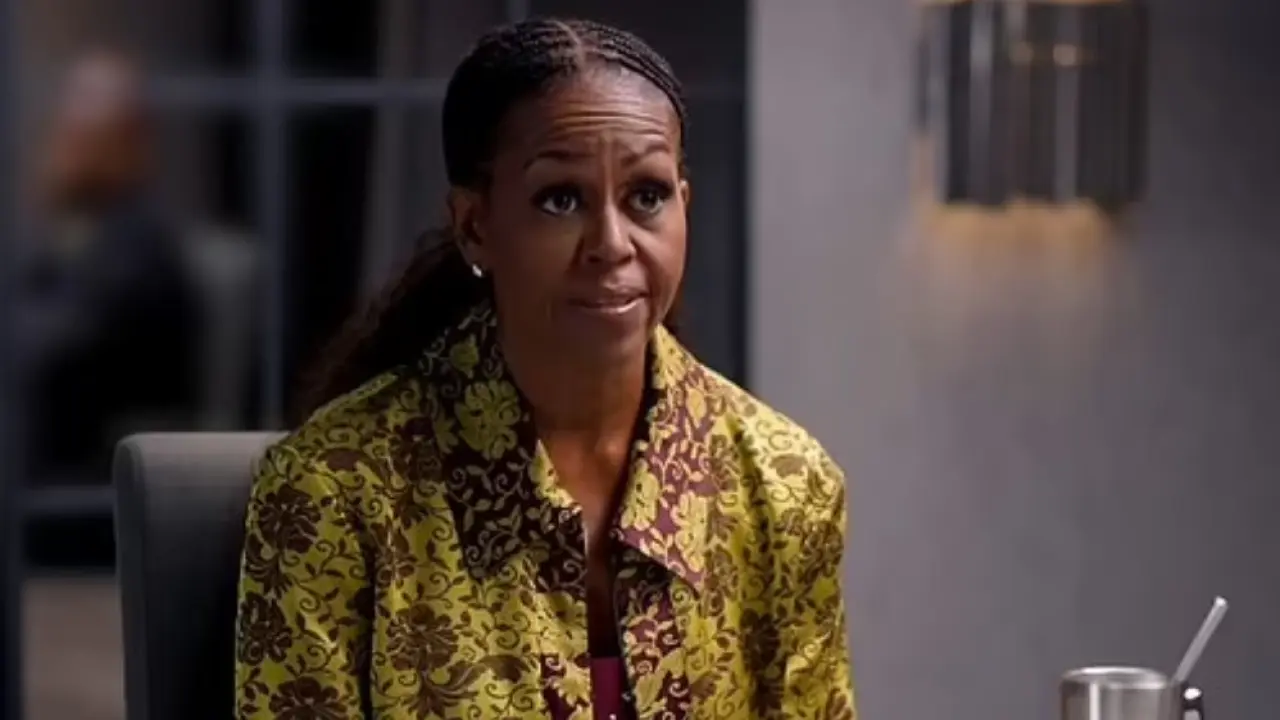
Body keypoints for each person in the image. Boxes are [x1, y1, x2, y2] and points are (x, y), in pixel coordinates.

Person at [235, 18, 855, 720]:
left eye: (647, 196)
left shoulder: (785, 486)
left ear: (685, 206)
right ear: (475, 226)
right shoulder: (335, 489)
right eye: (560, 199)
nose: (611, 244)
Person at [18, 50, 198, 482]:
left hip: (99, 479)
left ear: (129, 145)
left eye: (81, 136)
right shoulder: (72, 238)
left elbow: (59, 346)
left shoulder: (138, 246)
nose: (59, 148)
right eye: (62, 129)